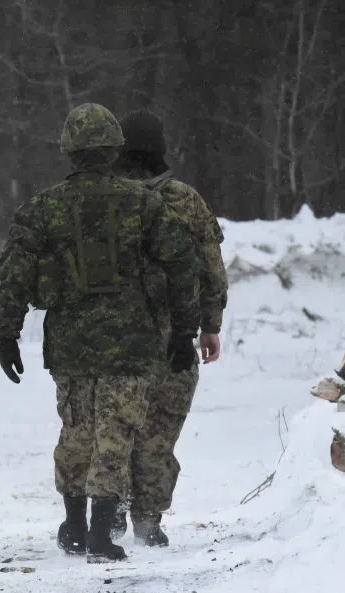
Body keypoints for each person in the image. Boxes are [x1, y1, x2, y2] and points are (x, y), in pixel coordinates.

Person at [0, 102, 200, 562]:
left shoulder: (44, 207)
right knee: (116, 431)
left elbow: (15, 273)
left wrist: (6, 333)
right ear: (113, 149)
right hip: (131, 342)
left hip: (71, 343)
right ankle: (102, 534)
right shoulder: (143, 203)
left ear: (69, 150)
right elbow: (182, 262)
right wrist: (185, 329)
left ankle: (73, 525)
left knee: (76, 429)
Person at [110, 110, 229, 547]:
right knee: (159, 429)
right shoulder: (185, 199)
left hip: (113, 333)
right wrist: (209, 325)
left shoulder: (104, 197)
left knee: (115, 423)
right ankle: (148, 518)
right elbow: (211, 268)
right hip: (173, 333)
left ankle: (110, 506)